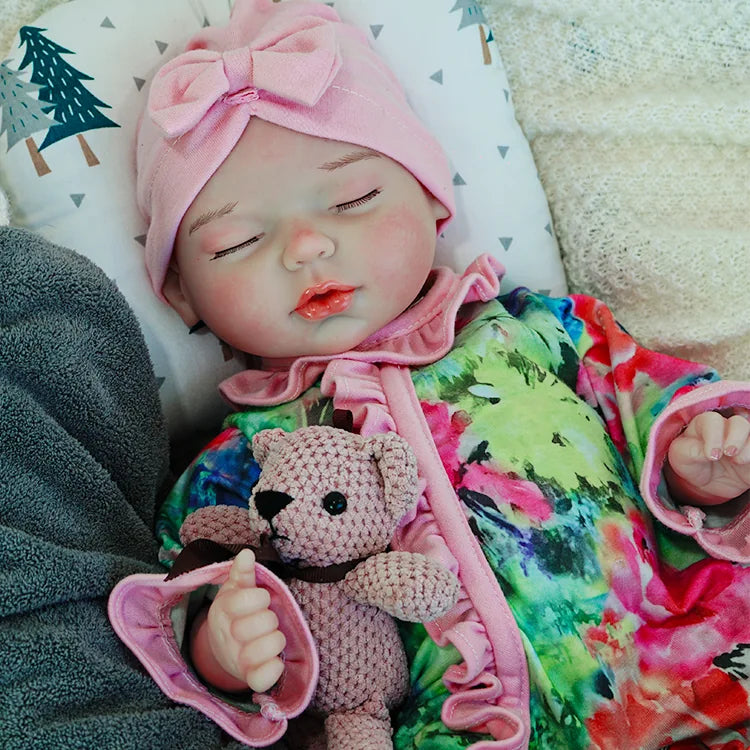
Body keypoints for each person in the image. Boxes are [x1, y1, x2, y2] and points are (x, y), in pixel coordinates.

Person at [121, 0, 750, 747]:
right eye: (239, 241)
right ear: (183, 293)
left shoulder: (542, 331)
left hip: (689, 681)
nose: (308, 246)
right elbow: (191, 575)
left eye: (354, 199)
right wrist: (223, 649)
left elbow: (645, 398)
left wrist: (697, 468)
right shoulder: (237, 463)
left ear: (430, 198)